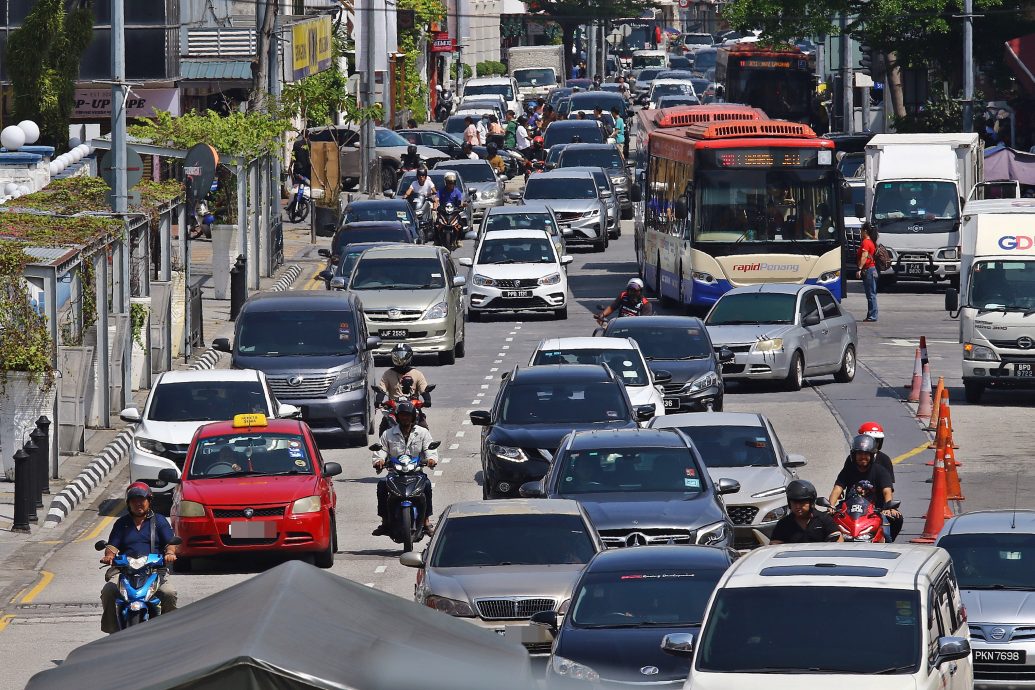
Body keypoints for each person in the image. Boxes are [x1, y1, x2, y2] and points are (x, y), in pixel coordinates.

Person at [99, 483, 178, 633]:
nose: (138, 503)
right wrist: (108, 556)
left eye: (141, 499)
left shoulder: (159, 521)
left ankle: (169, 631)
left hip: (154, 571)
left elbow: (170, 543)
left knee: (168, 593)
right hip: (125, 571)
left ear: (149, 500)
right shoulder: (122, 523)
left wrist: (170, 554)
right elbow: (112, 546)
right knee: (109, 591)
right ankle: (113, 632)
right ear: (128, 503)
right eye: (134, 500)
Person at [371, 402, 438, 536]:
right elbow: (382, 450)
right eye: (402, 415)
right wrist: (379, 460)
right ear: (397, 417)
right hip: (395, 473)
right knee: (382, 485)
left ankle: (426, 521)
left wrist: (431, 459)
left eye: (407, 416)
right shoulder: (388, 434)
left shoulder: (422, 433)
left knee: (427, 485)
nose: (405, 418)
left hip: (416, 472)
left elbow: (429, 449)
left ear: (413, 417)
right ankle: (385, 522)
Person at [829, 434, 902, 541]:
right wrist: (831, 505)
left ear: (872, 456)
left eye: (866, 454)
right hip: (849, 512)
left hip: (875, 512)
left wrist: (888, 507)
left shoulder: (880, 471)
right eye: (859, 454)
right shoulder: (848, 470)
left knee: (897, 520)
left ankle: (889, 543)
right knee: (826, 524)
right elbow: (837, 489)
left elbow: (887, 490)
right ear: (854, 455)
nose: (863, 457)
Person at [769, 480, 842, 544]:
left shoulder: (824, 519)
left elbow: (839, 542)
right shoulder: (783, 524)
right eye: (794, 502)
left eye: (801, 502)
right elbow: (774, 547)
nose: (797, 506)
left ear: (811, 502)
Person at [857, 222, 879, 322]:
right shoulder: (871, 242)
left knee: (870, 294)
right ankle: (872, 314)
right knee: (872, 293)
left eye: (861, 230)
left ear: (865, 231)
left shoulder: (866, 242)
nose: (860, 232)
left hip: (869, 270)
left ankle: (872, 316)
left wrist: (860, 269)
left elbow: (864, 256)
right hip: (872, 269)